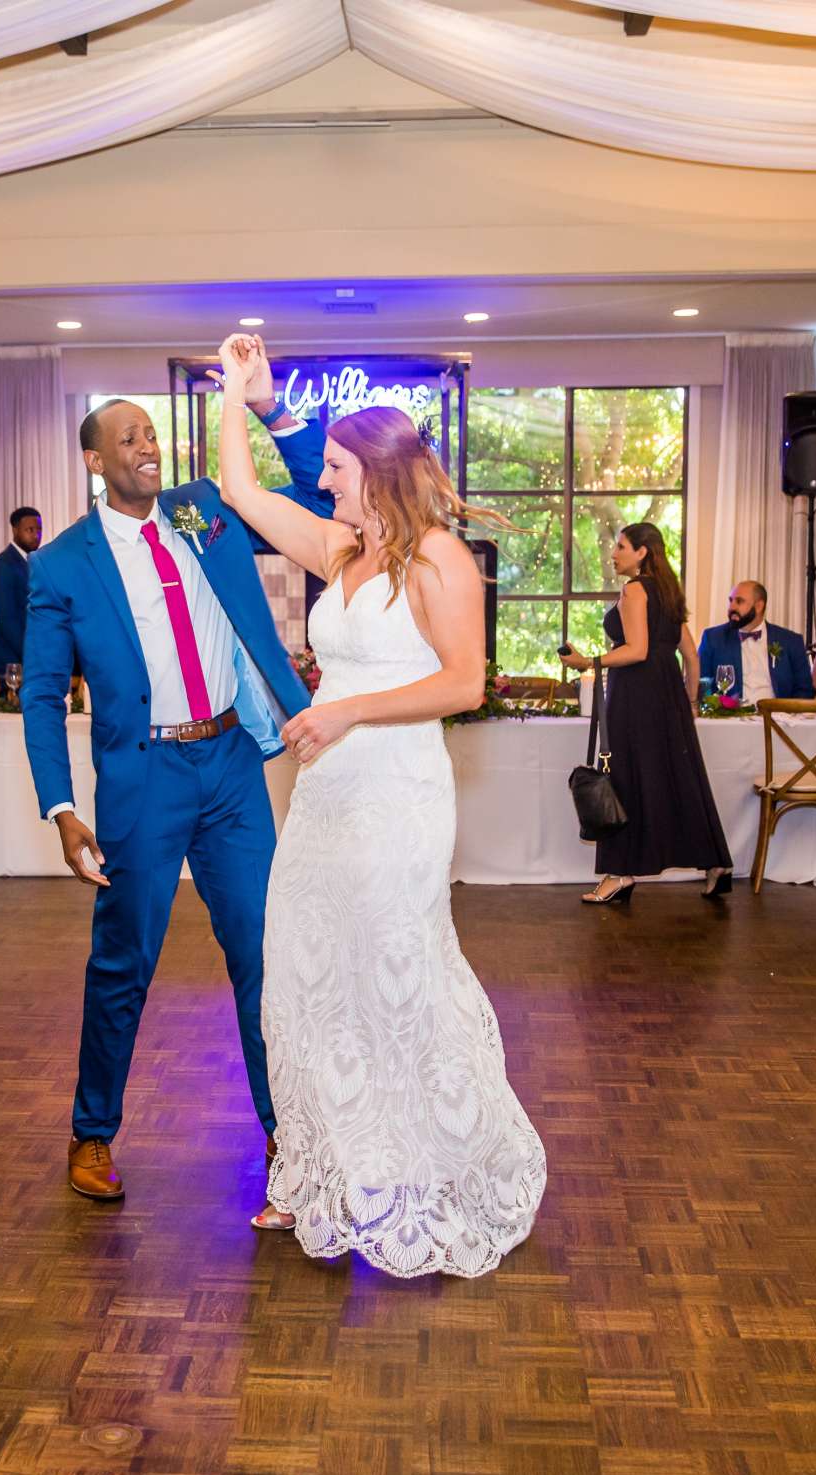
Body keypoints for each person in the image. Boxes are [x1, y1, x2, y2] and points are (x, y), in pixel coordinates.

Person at [213, 332, 546, 1277]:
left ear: (380, 474)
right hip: (327, 797)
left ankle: (423, 1164)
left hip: (398, 790)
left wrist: (349, 705)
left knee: (397, 967)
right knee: (310, 972)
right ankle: (322, 1170)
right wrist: (241, 392)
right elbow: (242, 493)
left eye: (335, 469)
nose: (323, 483)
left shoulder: (441, 560)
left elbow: (465, 683)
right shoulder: (340, 549)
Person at [22, 341, 327, 1219]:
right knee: (123, 961)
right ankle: (92, 1131)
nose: (147, 447)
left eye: (151, 433)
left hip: (230, 764)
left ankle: (286, 1132)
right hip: (143, 777)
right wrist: (62, 805)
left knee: (264, 954)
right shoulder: (64, 565)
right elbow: (41, 695)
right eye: (127, 438)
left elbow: (311, 496)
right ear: (93, 460)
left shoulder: (201, 513)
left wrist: (270, 409)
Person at [561, 523, 733, 903]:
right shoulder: (669, 592)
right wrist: (688, 703)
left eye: (621, 546)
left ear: (641, 552)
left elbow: (636, 650)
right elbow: (690, 654)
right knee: (680, 779)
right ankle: (715, 863)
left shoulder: (636, 589)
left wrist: (587, 661)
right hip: (668, 695)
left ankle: (619, 874)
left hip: (636, 694)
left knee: (625, 779)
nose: (614, 553)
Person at [691, 581, 812, 704]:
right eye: (730, 600)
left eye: (739, 601)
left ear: (759, 606)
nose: (731, 607)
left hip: (777, 718)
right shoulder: (713, 638)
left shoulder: (790, 641)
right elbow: (700, 684)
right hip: (730, 720)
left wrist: (787, 714)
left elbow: (804, 689)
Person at [0, 506, 42, 682]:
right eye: (29, 530)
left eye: (39, 529)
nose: (35, 535)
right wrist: (32, 657)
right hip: (9, 656)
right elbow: (7, 618)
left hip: (31, 652)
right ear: (15, 530)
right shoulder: (3, 565)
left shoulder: (37, 561)